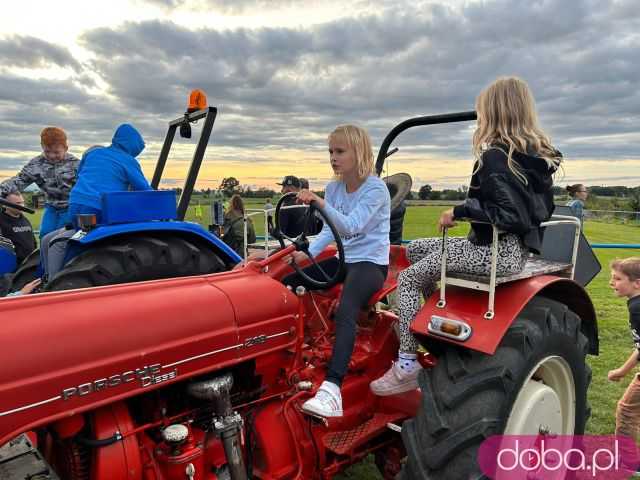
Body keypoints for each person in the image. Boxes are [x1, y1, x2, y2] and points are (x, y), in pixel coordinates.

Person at [370, 76, 562, 396]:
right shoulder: (533, 156)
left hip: (494, 252)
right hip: (501, 247)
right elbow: (531, 211)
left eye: (482, 110)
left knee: (408, 279)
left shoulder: (496, 157)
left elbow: (511, 215)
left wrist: (459, 212)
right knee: (415, 249)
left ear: (494, 111)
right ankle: (426, 322)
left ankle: (406, 362)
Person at [289, 125, 390, 417]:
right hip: (344, 258)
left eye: (340, 151)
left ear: (358, 152)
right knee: (290, 283)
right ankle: (293, 360)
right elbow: (329, 232)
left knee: (347, 309)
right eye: (330, 151)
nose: (333, 157)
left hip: (370, 263)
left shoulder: (375, 188)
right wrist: (305, 254)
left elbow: (351, 226)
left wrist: (319, 203)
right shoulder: (334, 188)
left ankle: (332, 390)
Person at [41, 123, 151, 280]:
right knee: (66, 240)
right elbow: (144, 189)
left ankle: (47, 277)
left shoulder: (95, 153)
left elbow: (81, 173)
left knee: (53, 238)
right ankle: (55, 283)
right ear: (133, 146)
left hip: (74, 204)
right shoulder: (128, 160)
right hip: (96, 207)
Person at [0, 127, 80, 238]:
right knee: (45, 234)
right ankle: (44, 255)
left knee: (63, 236)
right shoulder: (36, 164)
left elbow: (87, 185)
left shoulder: (76, 164)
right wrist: (1, 190)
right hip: (51, 208)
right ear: (42, 147)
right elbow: (19, 180)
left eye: (56, 152)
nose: (52, 156)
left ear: (66, 148)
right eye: (47, 151)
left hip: (71, 207)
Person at [607, 258, 640, 463]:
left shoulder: (637, 308)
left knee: (627, 410)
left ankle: (627, 461)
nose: (612, 283)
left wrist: (621, 371)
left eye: (618, 279)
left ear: (637, 283)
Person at [0, 193, 36, 265]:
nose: (22, 206)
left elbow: (33, 241)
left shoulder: (24, 219)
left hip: (30, 263)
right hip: (11, 266)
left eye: (22, 202)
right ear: (6, 205)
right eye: (18, 203)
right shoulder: (1, 220)